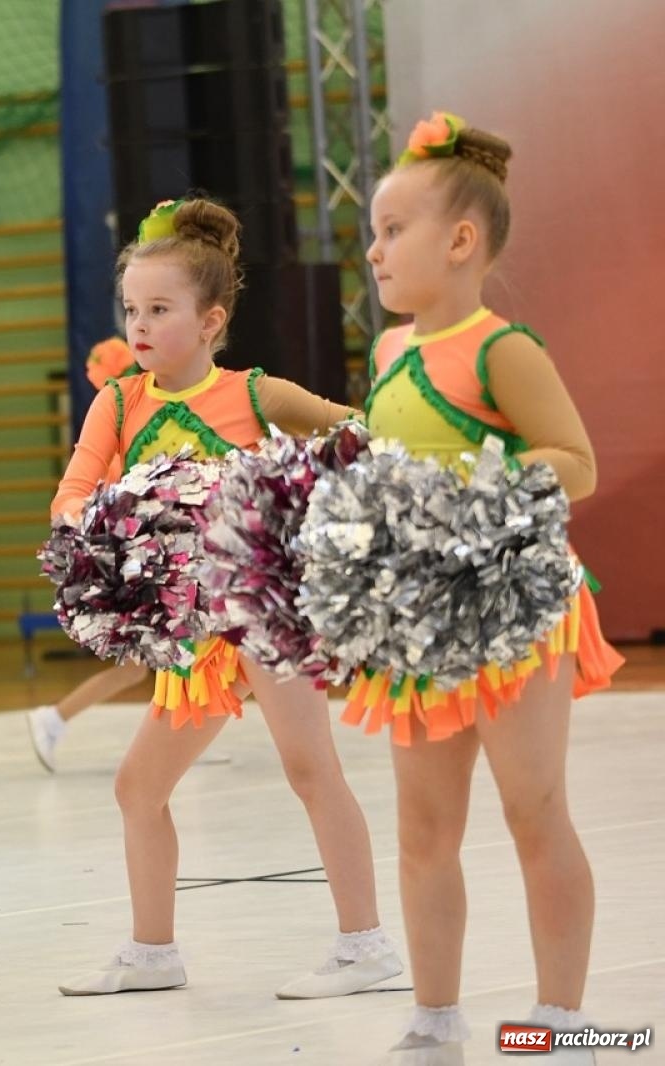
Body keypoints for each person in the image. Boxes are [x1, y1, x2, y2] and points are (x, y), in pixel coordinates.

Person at [52, 199, 402, 1000]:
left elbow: (361, 436)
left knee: (311, 768)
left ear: (211, 321)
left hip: (264, 612)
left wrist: (301, 504)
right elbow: (70, 497)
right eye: (131, 310)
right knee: (138, 785)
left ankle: (367, 946)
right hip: (194, 634)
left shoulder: (255, 395)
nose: (139, 326)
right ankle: (152, 953)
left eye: (160, 310)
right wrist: (111, 521)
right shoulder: (118, 403)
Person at [357, 112, 625, 1063]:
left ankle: (560, 1022)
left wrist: (469, 495)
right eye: (373, 234)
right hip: (421, 622)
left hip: (511, 607)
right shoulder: (390, 354)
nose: (375, 252)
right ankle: (435, 1017)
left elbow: (576, 462)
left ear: (461, 241)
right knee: (424, 825)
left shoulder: (498, 348)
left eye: (393, 230)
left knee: (531, 807)